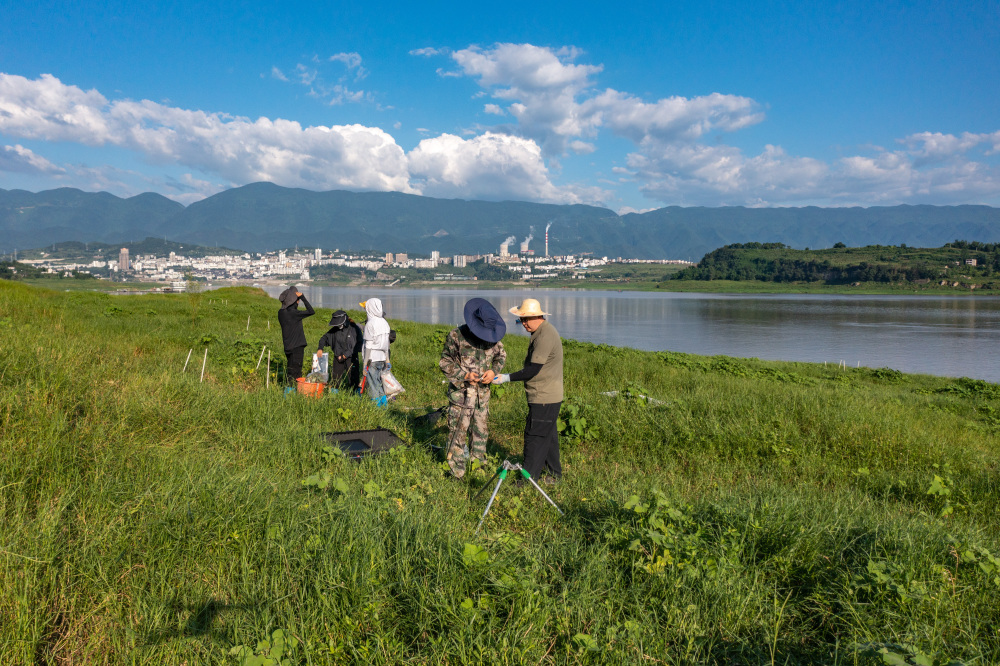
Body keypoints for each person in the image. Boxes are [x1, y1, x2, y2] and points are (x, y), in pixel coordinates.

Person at [493, 298, 563, 484]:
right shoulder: (542, 331)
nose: (523, 324)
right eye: (521, 320)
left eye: (526, 320)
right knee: (548, 436)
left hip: (544, 397)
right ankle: (555, 475)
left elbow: (533, 370)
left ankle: (528, 480)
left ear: (538, 316)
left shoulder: (545, 336)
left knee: (534, 437)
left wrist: (505, 378)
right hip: (549, 395)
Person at [439, 298, 507, 479]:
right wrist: (464, 375)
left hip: (482, 397)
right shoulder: (456, 336)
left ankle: (478, 469)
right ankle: (457, 472)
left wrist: (493, 371)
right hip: (460, 397)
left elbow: (501, 355)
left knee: (480, 433)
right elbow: (445, 361)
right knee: (457, 433)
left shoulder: (493, 338)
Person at [277, 287, 314, 384]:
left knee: (290, 370)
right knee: (297, 372)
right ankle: (294, 392)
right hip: (297, 346)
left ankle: (288, 393)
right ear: (295, 301)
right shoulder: (294, 313)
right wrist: (302, 297)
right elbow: (311, 311)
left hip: (288, 346)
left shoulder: (281, 313)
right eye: (297, 301)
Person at [317, 309, 361, 389]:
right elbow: (324, 338)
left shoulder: (354, 329)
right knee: (335, 379)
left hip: (351, 358)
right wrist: (320, 348)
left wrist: (345, 355)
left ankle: (356, 396)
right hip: (338, 358)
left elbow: (357, 345)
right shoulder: (335, 330)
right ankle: (334, 395)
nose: (337, 326)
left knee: (354, 379)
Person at [360, 298, 391, 405]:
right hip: (382, 358)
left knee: (372, 385)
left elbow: (368, 346)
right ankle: (384, 406)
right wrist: (387, 360)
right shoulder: (384, 322)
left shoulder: (370, 324)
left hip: (372, 359)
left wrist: (365, 363)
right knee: (378, 382)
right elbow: (386, 344)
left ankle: (377, 409)